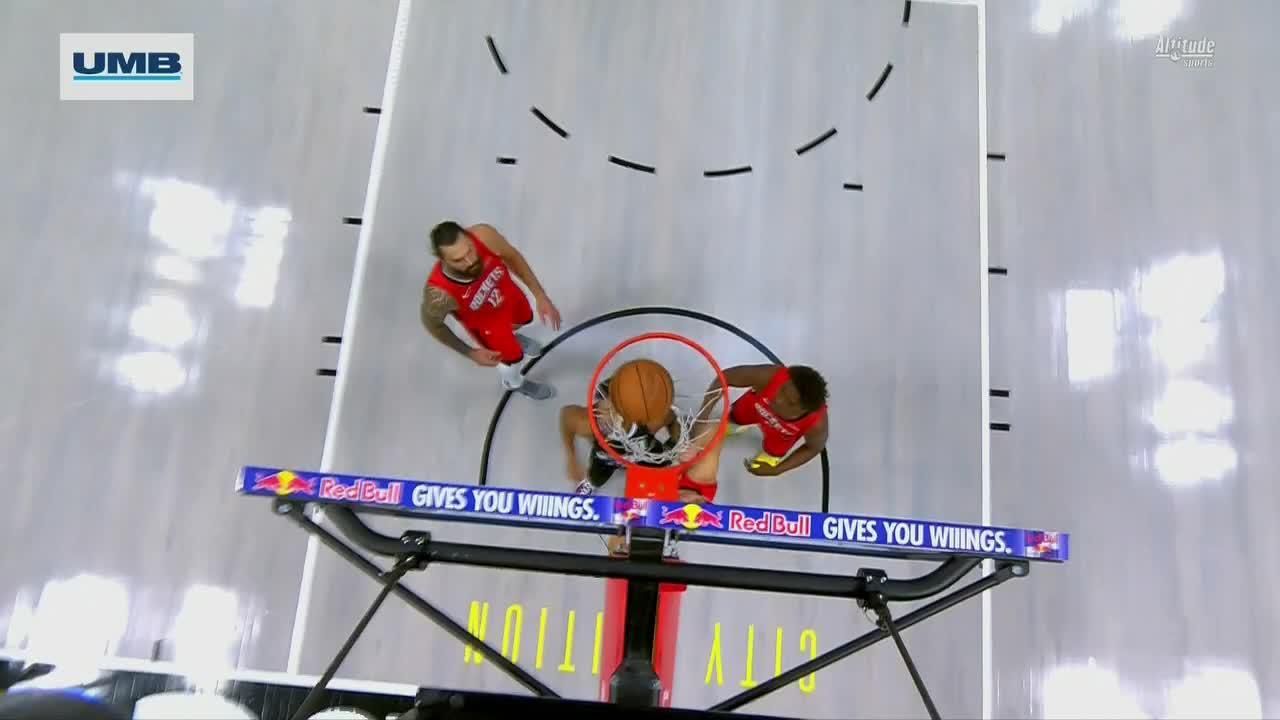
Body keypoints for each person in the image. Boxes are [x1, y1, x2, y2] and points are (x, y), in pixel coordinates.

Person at [419, 221, 561, 399]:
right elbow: (432, 325)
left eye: (470, 250)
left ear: (468, 236)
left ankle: (514, 337)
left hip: (508, 296)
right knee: (511, 361)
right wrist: (470, 353)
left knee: (524, 318)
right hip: (489, 326)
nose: (470, 260)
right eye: (458, 260)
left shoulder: (484, 236)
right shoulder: (439, 294)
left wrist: (540, 295)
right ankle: (514, 383)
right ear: (442, 260)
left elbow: (512, 257)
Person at [559, 376, 679, 497]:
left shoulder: (653, 420)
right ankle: (591, 483)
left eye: (616, 410)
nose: (607, 416)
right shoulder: (589, 422)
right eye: (604, 408)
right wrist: (571, 458)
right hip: (607, 458)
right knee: (596, 476)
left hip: (643, 454)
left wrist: (673, 445)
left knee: (658, 468)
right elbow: (566, 416)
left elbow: (673, 419)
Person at [708, 363, 828, 477]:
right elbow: (725, 377)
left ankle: (770, 455)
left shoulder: (816, 424)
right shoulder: (770, 376)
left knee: (771, 454)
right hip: (754, 408)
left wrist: (777, 470)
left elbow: (813, 448)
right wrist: (703, 414)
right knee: (735, 417)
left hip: (780, 435)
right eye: (782, 390)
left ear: (803, 410)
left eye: (790, 402)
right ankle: (733, 425)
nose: (778, 399)